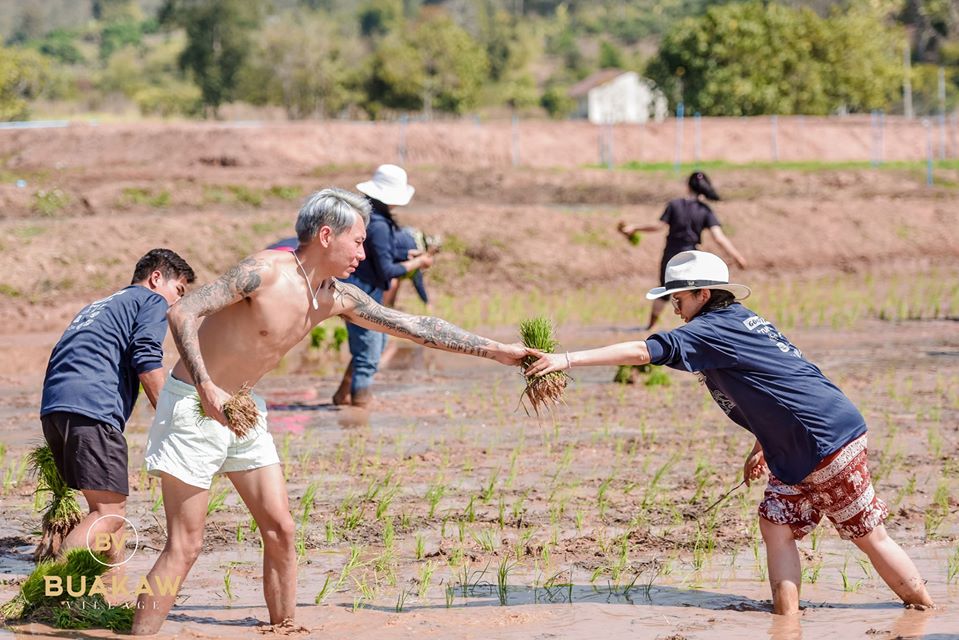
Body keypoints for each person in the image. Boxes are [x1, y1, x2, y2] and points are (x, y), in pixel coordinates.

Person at [131, 188, 524, 635]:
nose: (364, 251)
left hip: (243, 405)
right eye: (357, 241)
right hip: (193, 402)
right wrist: (205, 386)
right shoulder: (263, 272)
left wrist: (499, 351)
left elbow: (417, 327)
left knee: (281, 529)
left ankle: (286, 629)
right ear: (324, 235)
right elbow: (182, 312)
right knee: (186, 544)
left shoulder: (334, 296)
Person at [525, 251, 935, 616]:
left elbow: (644, 351)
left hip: (821, 440)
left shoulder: (711, 329)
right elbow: (776, 384)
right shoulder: (742, 321)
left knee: (867, 533)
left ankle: (922, 610)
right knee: (776, 523)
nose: (675, 309)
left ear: (703, 294)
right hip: (806, 438)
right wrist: (762, 444)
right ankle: (787, 618)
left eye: (678, 299)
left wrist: (565, 359)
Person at [39, 249, 195, 561]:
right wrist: (172, 416)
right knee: (108, 513)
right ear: (155, 278)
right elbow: (147, 356)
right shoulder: (150, 300)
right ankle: (52, 584)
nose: (176, 303)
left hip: (56, 408)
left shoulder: (97, 306)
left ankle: (110, 591)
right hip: (92, 408)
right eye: (177, 291)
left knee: (110, 510)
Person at [332, 164, 434, 407]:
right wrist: (419, 262)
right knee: (367, 356)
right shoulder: (378, 225)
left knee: (372, 348)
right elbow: (387, 270)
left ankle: (342, 394)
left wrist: (405, 258)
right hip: (361, 295)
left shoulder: (370, 219)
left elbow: (380, 260)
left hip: (363, 292)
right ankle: (361, 405)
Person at [618, 171, 747, 330]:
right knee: (694, 294)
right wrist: (737, 257)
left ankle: (649, 328)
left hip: (671, 255)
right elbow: (719, 237)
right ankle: (697, 327)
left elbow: (659, 226)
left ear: (688, 186)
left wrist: (635, 227)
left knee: (665, 290)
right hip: (692, 258)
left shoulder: (675, 205)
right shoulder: (705, 210)